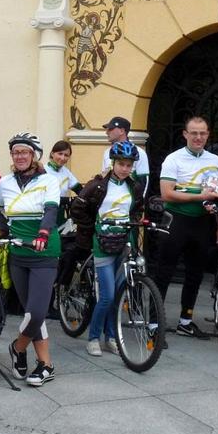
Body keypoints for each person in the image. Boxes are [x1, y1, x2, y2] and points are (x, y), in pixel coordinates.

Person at [0, 133, 61, 386]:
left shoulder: (49, 180)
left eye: (24, 152)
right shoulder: (5, 183)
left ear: (34, 156)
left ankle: (17, 348)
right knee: (31, 314)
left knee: (36, 312)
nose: (20, 156)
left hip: (44, 253)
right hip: (18, 254)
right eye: (15, 152)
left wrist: (43, 233)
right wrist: (3, 232)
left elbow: (51, 210)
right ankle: (46, 365)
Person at [70, 141, 145, 356]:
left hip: (124, 242)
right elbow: (78, 207)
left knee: (120, 294)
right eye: (121, 164)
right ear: (113, 163)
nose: (125, 168)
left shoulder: (134, 186)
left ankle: (111, 336)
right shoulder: (98, 185)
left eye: (129, 165)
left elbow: (137, 208)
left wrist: (132, 221)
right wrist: (92, 227)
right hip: (102, 242)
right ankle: (93, 337)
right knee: (107, 296)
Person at [153, 115, 218, 339]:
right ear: (185, 134)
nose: (198, 137)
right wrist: (199, 196)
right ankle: (154, 325)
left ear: (208, 135)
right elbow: (166, 194)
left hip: (202, 224)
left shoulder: (216, 160)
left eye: (202, 133)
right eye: (193, 133)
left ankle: (186, 320)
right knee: (164, 273)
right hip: (177, 221)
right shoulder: (173, 159)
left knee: (195, 275)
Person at [46, 140, 84, 296]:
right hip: (47, 214)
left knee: (60, 255)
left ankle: (57, 292)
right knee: (49, 255)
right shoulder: (43, 170)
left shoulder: (66, 173)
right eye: (59, 153)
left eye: (66, 155)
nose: (62, 158)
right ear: (52, 153)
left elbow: (81, 191)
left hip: (61, 217)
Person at [100, 116, 150, 190]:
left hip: (129, 197)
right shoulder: (107, 152)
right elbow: (103, 177)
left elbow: (143, 181)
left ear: (121, 131)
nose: (106, 132)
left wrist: (138, 200)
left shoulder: (138, 152)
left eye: (110, 129)